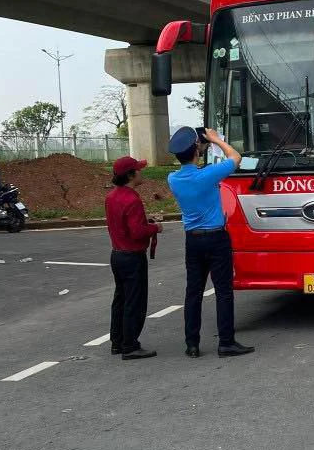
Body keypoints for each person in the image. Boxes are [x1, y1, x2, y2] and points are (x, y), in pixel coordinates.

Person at [167, 126, 253, 359]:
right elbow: (236, 157)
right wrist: (215, 139)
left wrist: (200, 146)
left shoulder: (173, 179)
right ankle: (226, 342)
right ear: (197, 149)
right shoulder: (207, 175)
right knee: (223, 291)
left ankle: (192, 344)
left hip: (192, 239)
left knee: (193, 292)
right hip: (216, 238)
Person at [104, 156, 162, 361]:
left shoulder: (111, 196)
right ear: (130, 175)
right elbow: (137, 232)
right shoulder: (132, 199)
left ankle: (117, 341)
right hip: (132, 256)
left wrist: (145, 222)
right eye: (138, 169)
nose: (141, 172)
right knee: (134, 302)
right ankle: (130, 345)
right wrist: (155, 227)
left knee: (120, 299)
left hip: (117, 254)